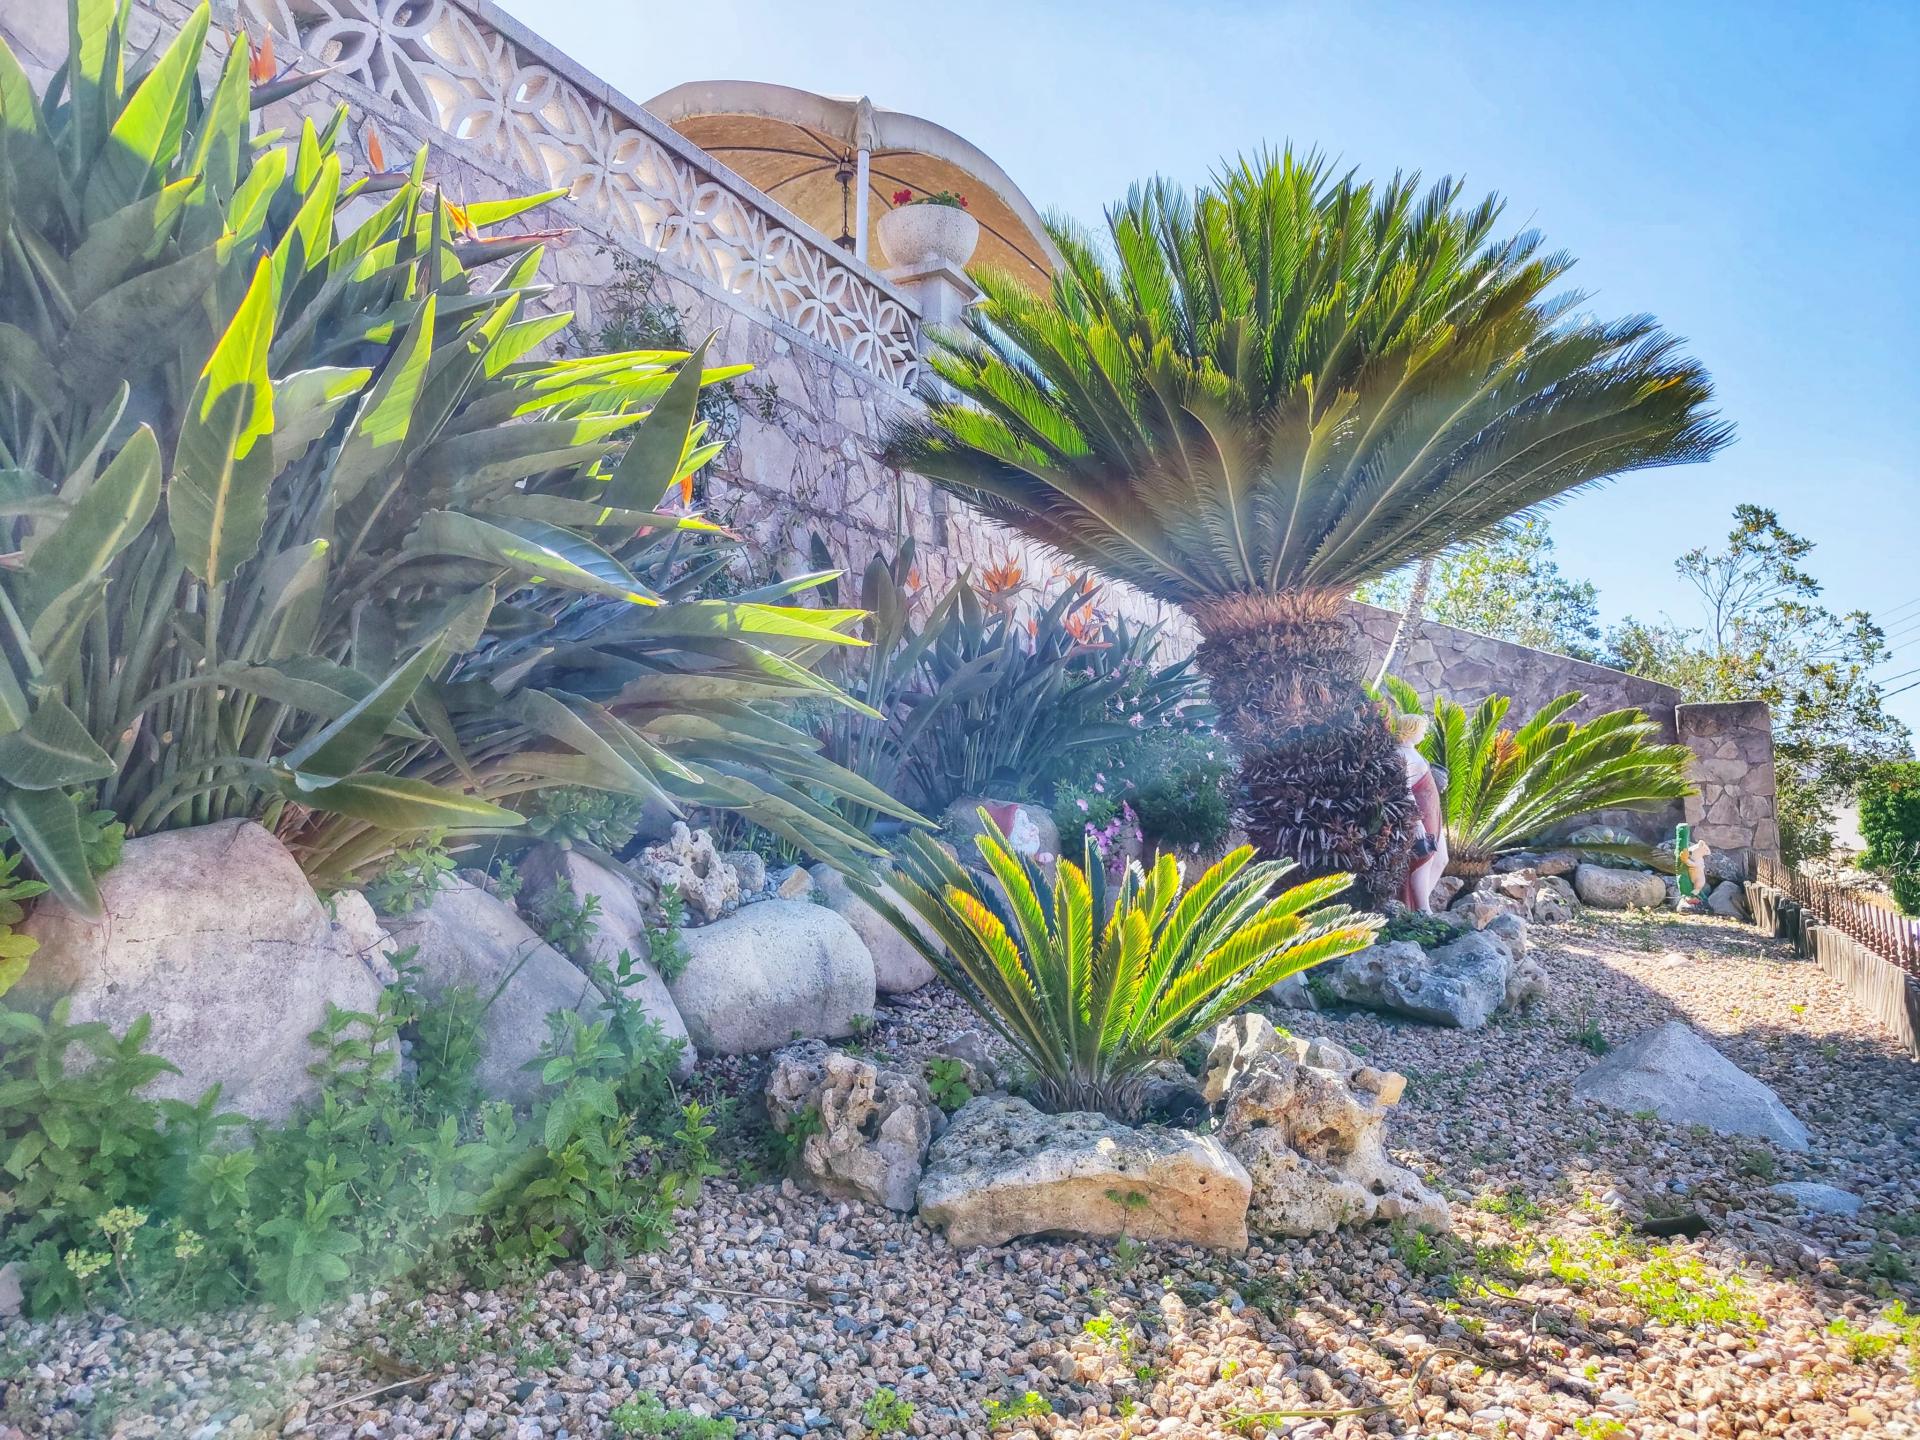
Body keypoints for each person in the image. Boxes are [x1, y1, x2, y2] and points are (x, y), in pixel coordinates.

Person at [1396, 711, 1449, 911]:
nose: (1424, 734)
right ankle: (1423, 909)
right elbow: (1405, 789)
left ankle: (1419, 906)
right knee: (1423, 859)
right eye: (1422, 730)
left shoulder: (1411, 750)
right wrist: (1417, 821)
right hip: (1422, 814)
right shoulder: (1401, 754)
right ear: (1411, 729)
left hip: (1433, 812)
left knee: (1441, 859)